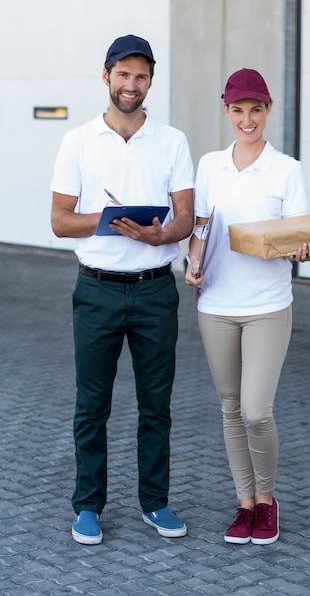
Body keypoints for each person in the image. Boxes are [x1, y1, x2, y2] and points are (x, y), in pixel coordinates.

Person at [50, 34, 194, 545]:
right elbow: (60, 222)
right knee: (93, 406)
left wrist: (159, 233)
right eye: (123, 74)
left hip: (155, 291)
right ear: (106, 76)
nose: (131, 85)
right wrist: (111, 221)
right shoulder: (78, 141)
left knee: (156, 407)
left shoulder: (172, 141)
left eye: (141, 76)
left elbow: (185, 218)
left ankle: (155, 502)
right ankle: (88, 505)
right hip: (98, 292)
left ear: (150, 81)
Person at [185, 68, 310, 545]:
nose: (247, 119)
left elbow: (302, 237)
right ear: (227, 111)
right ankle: (244, 505)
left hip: (267, 305)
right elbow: (202, 228)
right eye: (238, 110)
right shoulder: (209, 166)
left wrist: (302, 250)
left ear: (268, 110)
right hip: (215, 304)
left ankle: (267, 500)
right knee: (231, 407)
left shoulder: (287, 169)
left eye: (255, 109)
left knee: (257, 410)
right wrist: (191, 264)